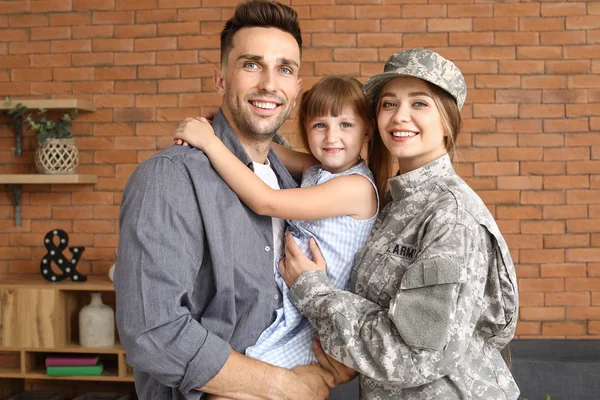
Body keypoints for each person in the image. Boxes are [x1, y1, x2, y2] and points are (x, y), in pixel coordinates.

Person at [114, 1, 341, 399]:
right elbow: (155, 333)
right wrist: (284, 386)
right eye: (251, 65)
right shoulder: (171, 177)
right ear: (221, 80)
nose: (270, 83)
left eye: (284, 68)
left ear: (296, 89)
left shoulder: (296, 182)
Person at [279, 48, 521, 399]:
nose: (399, 117)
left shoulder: (450, 216)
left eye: (419, 104)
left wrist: (313, 292)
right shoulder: (395, 200)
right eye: (389, 104)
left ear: (448, 121)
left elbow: (415, 354)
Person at [173, 75, 379, 370]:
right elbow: (260, 147)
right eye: (320, 125)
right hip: (288, 305)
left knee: (233, 384)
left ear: (367, 130)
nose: (332, 137)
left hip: (315, 326)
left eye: (346, 125)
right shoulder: (318, 168)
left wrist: (209, 143)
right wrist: (217, 127)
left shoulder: (356, 187)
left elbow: (265, 201)